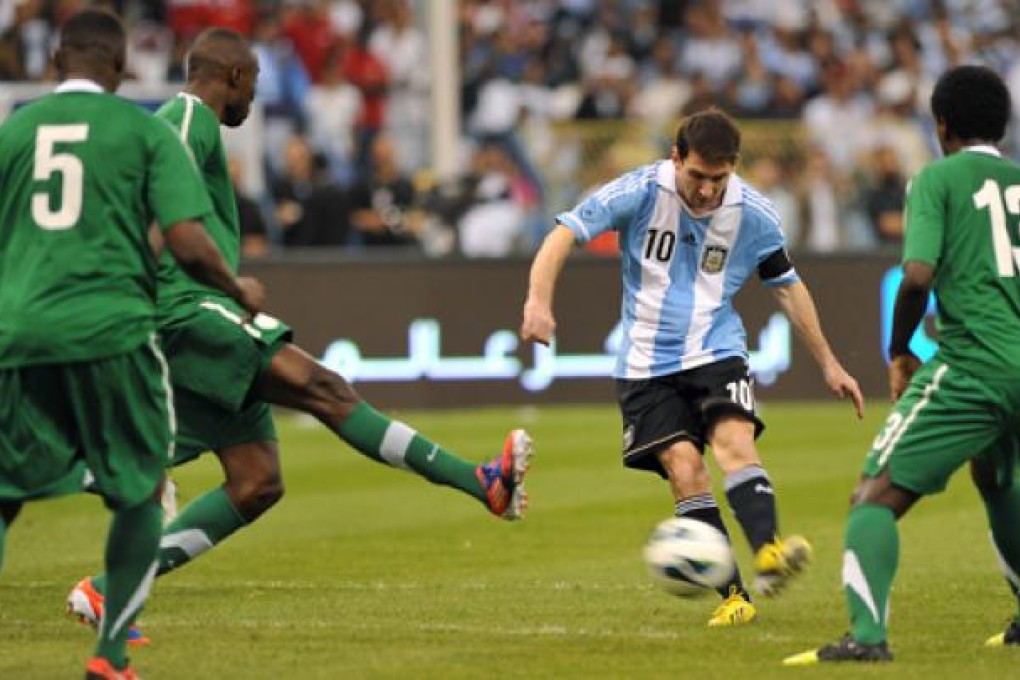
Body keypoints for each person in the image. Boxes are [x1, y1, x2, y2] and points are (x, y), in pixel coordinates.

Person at [67, 26, 533, 644]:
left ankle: (110, 583)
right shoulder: (188, 115)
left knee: (258, 482)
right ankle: (481, 482)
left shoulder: (194, 123)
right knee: (325, 388)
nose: (254, 102)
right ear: (232, 77)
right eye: (253, 87)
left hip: (190, 312)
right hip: (185, 310)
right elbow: (156, 196)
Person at [520, 108, 864, 628]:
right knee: (685, 468)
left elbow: (788, 288)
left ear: (734, 168)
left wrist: (830, 363)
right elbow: (562, 234)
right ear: (675, 157)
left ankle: (768, 551)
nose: (705, 191)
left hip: (716, 349)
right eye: (696, 176)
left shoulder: (753, 213)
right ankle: (734, 595)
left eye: (718, 179)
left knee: (734, 444)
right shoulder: (637, 190)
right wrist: (538, 303)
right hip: (644, 364)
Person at [0, 10, 264, 680]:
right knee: (145, 488)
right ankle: (110, 655)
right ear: (120, 68)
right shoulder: (138, 131)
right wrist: (235, 284)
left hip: (21, 328)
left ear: (56, 60)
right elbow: (183, 237)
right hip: (110, 327)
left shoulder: (16, 129)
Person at [783, 65, 1020, 666]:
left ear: (941, 124)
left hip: (976, 364)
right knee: (996, 479)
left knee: (875, 495)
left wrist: (898, 351)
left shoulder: (937, 179)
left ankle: (866, 638)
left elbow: (916, 276)